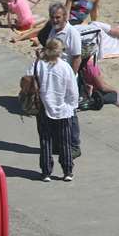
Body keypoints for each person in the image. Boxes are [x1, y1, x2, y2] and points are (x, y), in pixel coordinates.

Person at [32, 39, 79, 181]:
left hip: (43, 108)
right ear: (60, 52)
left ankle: (46, 172)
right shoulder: (65, 67)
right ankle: (67, 171)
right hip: (63, 110)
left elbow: (28, 80)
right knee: (65, 142)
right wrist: (72, 106)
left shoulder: (38, 64)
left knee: (45, 141)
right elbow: (73, 90)